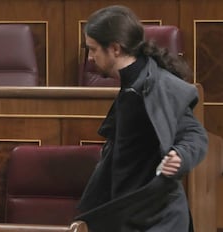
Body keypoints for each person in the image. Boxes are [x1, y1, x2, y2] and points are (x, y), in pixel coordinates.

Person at [75, 5, 208, 232]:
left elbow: (195, 135)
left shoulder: (161, 86)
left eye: (93, 49)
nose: (90, 58)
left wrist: (181, 155)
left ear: (115, 49)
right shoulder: (131, 87)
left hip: (158, 217)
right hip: (129, 213)